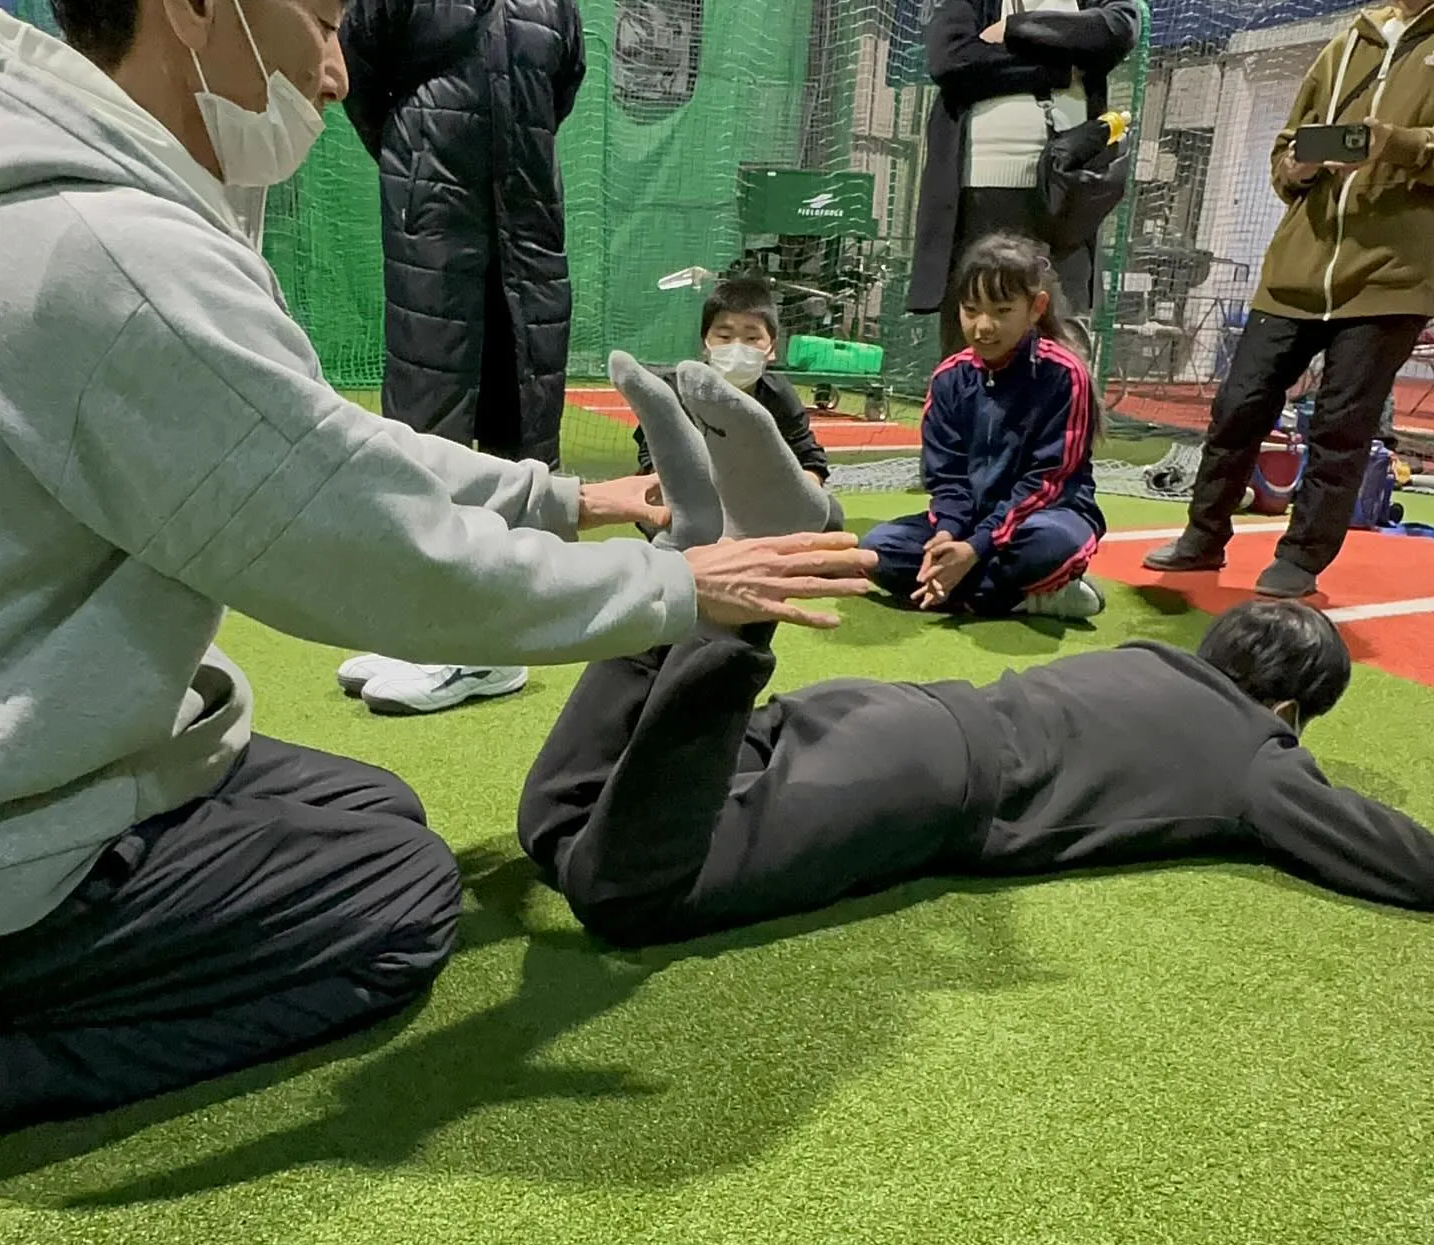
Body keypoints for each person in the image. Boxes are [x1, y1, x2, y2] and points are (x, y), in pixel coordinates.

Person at [0, 0, 871, 1131]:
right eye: (326, 19)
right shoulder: (119, 257)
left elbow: (313, 439)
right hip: (17, 827)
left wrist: (562, 491)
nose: (337, 67)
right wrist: (678, 592)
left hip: (64, 729)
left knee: (377, 810)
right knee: (399, 902)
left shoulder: (69, 174)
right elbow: (364, 537)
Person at [519, 373, 1434, 947]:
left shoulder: (1148, 661)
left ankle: (686, 561)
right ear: (1284, 712)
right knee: (629, 896)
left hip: (871, 712)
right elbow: (1380, 844)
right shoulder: (1255, 749)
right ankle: (740, 602)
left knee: (561, 827)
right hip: (922, 778)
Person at [336, 0, 585, 715]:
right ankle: (423, 619)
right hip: (433, 242)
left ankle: (490, 641)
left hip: (529, 248)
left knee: (520, 436)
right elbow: (360, 83)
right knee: (425, 433)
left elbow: (555, 94)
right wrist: (424, 178)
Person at [1144, 0, 1434, 600]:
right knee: (1240, 403)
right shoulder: (1346, 44)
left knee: (1342, 422)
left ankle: (1301, 558)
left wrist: (1392, 143)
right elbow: (1283, 154)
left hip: (1389, 278)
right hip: (1295, 270)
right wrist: (1301, 162)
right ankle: (1203, 535)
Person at [908, 0, 1139, 357]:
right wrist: (1058, 68)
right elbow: (952, 61)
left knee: (1061, 361)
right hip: (976, 203)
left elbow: (1116, 29)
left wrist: (1012, 31)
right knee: (971, 360)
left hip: (1061, 205)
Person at [863, 234, 1105, 620]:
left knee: (1048, 544)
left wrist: (975, 547)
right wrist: (945, 535)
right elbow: (948, 479)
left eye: (1002, 311)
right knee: (877, 548)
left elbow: (1048, 481)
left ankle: (965, 590)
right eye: (971, 309)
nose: (983, 326)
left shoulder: (1064, 374)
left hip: (1045, 515)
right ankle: (1030, 596)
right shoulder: (949, 379)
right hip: (969, 522)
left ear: (1036, 308)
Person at [632, 276, 845, 531]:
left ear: (772, 348)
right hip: (689, 497)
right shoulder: (673, 390)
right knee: (659, 516)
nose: (737, 348)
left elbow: (810, 460)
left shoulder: (778, 394)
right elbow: (652, 460)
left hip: (758, 499)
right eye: (724, 336)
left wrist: (802, 496)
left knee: (829, 514)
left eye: (752, 338)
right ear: (705, 344)